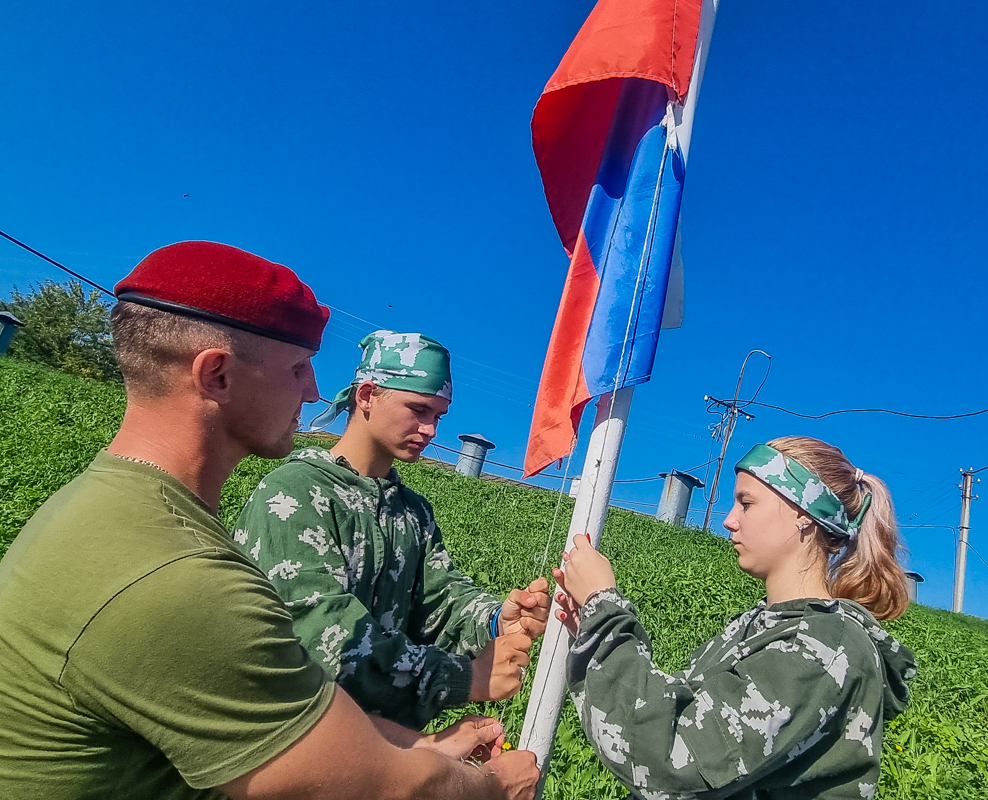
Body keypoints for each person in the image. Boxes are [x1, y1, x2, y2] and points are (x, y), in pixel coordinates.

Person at [0, 241, 538, 800]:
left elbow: (277, 719)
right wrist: (492, 786)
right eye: (298, 368)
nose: (312, 390)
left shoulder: (123, 518)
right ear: (218, 376)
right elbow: (366, 787)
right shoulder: (175, 575)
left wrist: (422, 747)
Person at [553, 436, 918, 800]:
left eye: (746, 503)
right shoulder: (769, 626)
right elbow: (675, 710)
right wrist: (593, 632)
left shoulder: (824, 648)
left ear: (804, 516)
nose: (729, 520)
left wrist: (603, 612)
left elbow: (670, 763)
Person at [233, 329, 551, 730]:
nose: (431, 429)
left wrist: (497, 620)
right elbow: (318, 631)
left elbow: (440, 600)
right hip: (288, 744)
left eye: (438, 416)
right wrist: (459, 677)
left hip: (378, 751)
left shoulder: (413, 512)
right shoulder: (297, 493)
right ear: (366, 396)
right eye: (418, 409)